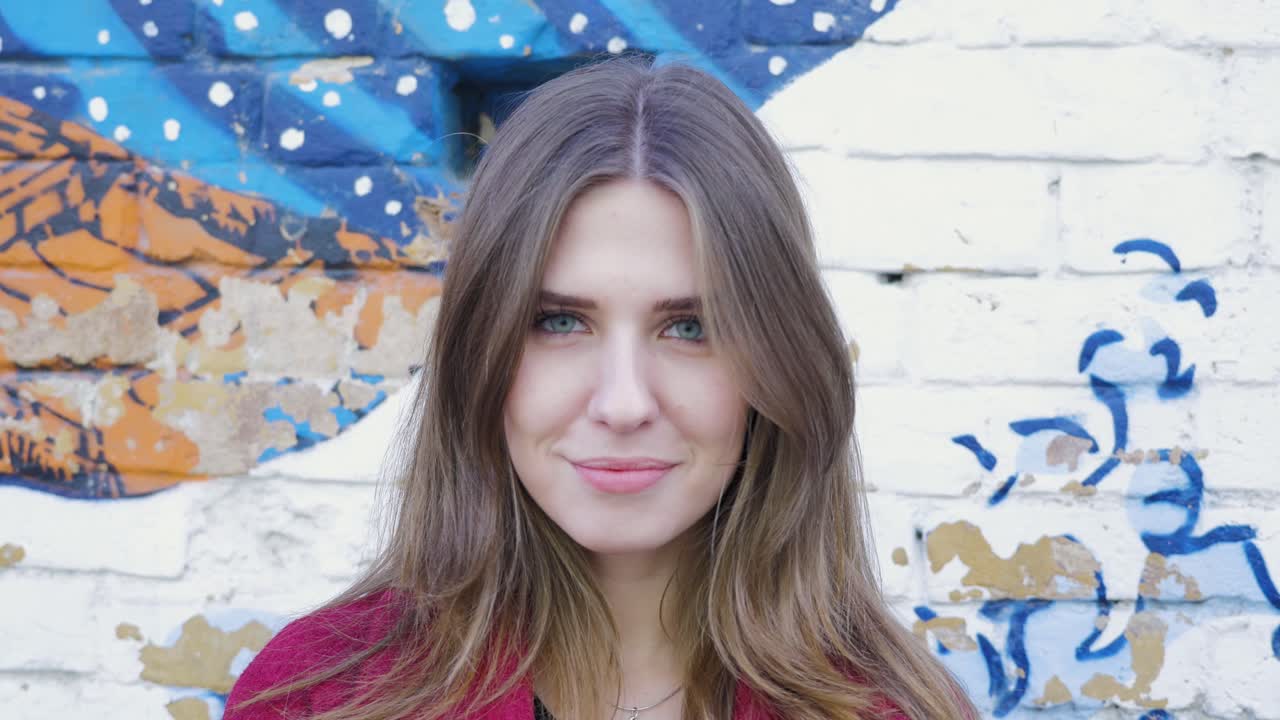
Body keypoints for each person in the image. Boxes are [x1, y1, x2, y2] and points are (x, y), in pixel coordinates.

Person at [224, 54, 978, 720]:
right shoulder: (316, 699)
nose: (623, 404)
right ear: (479, 350)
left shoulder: (894, 710)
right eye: (558, 322)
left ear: (777, 360)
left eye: (690, 328)